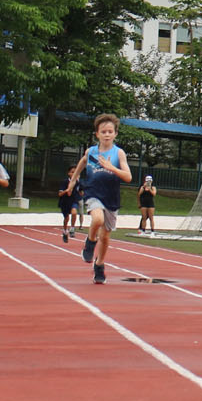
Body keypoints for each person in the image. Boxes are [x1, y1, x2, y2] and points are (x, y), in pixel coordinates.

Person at [65, 113, 132, 284]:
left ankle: (99, 264)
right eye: (104, 132)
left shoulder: (119, 153)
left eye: (110, 131)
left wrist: (112, 167)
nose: (107, 134)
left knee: (106, 236)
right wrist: (73, 181)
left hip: (111, 196)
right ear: (97, 134)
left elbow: (128, 177)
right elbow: (82, 162)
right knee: (97, 218)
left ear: (115, 134)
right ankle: (90, 241)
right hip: (93, 192)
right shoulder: (92, 151)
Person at [57, 176, 81, 243]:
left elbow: (81, 192)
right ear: (68, 173)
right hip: (64, 202)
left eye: (75, 172)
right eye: (72, 172)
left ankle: (72, 229)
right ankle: (65, 231)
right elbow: (60, 194)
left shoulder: (78, 182)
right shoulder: (65, 182)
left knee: (74, 213)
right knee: (66, 218)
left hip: (73, 201)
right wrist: (67, 190)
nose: (73, 174)